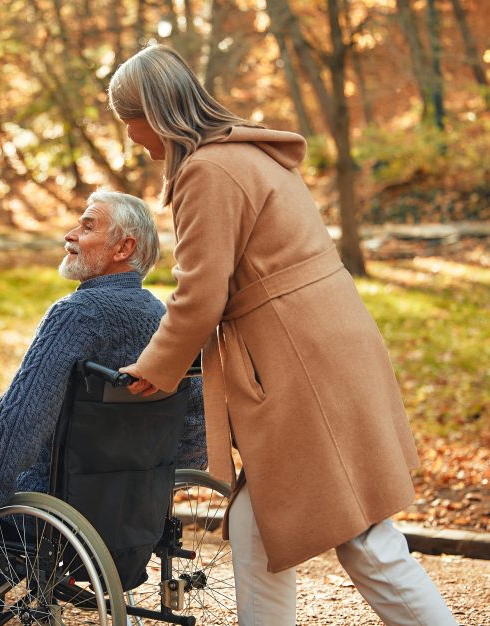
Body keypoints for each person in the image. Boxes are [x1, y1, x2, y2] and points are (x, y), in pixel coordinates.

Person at [109, 45, 455, 625]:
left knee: (366, 538)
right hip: (326, 342)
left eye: (129, 123)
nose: (130, 139)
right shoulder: (248, 154)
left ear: (155, 115)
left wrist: (154, 368)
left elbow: (199, 295)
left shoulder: (206, 171)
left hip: (302, 359)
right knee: (256, 528)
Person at [0, 189, 206, 547]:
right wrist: (149, 484)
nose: (69, 236)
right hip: (130, 509)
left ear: (123, 249)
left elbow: (23, 415)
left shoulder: (77, 313)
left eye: (87, 228)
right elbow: (197, 422)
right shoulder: (162, 320)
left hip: (51, 501)